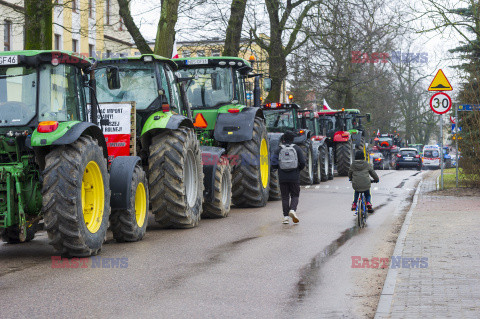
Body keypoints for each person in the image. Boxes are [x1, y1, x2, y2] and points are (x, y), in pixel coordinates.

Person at [272, 131, 306, 224]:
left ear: (283, 139)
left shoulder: (278, 149)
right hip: (294, 176)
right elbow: (303, 162)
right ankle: (293, 210)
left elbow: (273, 164)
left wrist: (279, 168)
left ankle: (286, 217)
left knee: (285, 197)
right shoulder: (297, 148)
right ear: (293, 139)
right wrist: (297, 169)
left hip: (282, 177)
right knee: (295, 195)